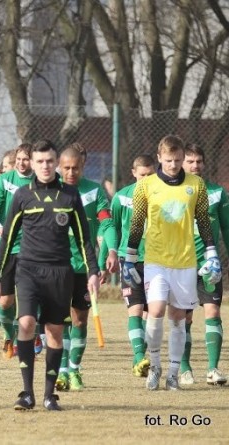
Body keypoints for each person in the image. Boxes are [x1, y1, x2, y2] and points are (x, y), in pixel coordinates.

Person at [0, 139, 99, 411]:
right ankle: (27, 393)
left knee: (54, 331)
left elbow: (85, 239)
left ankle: (50, 395)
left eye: (50, 161)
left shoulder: (70, 196)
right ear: (33, 164)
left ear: (56, 163)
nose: (45, 166)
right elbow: (7, 238)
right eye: (39, 161)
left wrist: (93, 272)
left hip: (60, 272)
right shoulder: (22, 195)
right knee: (25, 323)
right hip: (27, 269)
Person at [122, 134, 218, 391]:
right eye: (168, 160)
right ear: (159, 157)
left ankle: (173, 373)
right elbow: (137, 222)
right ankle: (154, 365)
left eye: (177, 160)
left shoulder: (196, 184)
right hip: (155, 259)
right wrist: (130, 258)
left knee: (178, 318)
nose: (174, 165)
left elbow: (204, 221)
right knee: (155, 311)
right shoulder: (146, 185)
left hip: (186, 261)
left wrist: (211, 253)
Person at [54, 145, 117, 391]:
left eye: (76, 168)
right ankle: (61, 372)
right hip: (56, 266)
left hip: (83, 266)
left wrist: (111, 249)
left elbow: (106, 223)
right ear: (59, 166)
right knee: (59, 320)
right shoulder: (50, 191)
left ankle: (74, 370)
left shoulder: (93, 191)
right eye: (66, 167)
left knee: (79, 320)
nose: (71, 172)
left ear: (83, 166)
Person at [99, 154, 155, 378]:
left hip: (156, 260)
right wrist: (105, 260)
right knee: (135, 308)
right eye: (142, 175)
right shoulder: (121, 198)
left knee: (151, 313)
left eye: (150, 174)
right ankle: (138, 357)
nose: (146, 179)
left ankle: (144, 354)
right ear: (134, 173)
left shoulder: (162, 196)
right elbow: (112, 230)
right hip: (129, 259)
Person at [178, 144, 228, 386]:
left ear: (204, 164)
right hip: (181, 264)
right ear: (181, 163)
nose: (195, 165)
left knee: (213, 312)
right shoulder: (174, 192)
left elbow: (227, 228)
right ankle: (185, 369)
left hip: (210, 265)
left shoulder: (217, 192)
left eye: (199, 161)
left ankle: (213, 369)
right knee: (185, 318)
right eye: (190, 161)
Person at [0, 143, 34, 357]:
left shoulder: (41, 182)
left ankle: (33, 336)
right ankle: (8, 335)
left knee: (32, 298)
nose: (22, 163)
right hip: (8, 248)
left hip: (33, 250)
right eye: (19, 159)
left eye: (26, 159)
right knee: (5, 301)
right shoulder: (4, 181)